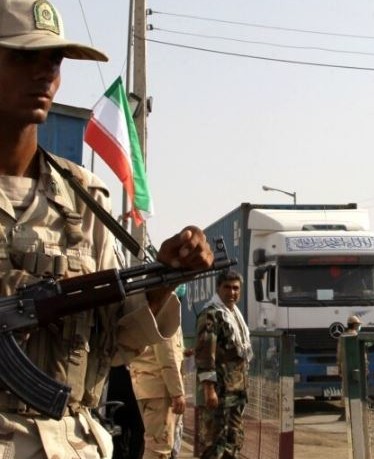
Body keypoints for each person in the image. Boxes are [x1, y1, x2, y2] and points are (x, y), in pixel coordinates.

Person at [0, 1, 215, 457]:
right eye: (22, 57)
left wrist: (162, 279)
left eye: (53, 60)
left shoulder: (83, 199)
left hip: (72, 442)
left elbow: (114, 344)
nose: (44, 74)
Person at [194, 270, 252, 459]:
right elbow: (205, 356)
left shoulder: (234, 315)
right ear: (218, 288)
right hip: (219, 393)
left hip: (236, 393)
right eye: (227, 287)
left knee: (233, 443)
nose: (232, 292)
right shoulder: (211, 314)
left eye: (236, 288)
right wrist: (209, 390)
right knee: (213, 446)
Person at [129, 326, 186, 459]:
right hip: (160, 387)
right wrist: (177, 392)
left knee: (155, 445)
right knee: (159, 450)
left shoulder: (144, 307)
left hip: (146, 384)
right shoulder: (165, 308)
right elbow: (167, 353)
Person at [336, 315, 361, 420]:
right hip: (356, 366)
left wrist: (339, 366)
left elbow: (339, 353)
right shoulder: (357, 337)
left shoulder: (342, 337)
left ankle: (344, 413)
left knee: (345, 389)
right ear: (355, 325)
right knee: (356, 388)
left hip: (345, 365)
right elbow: (361, 353)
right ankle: (355, 414)